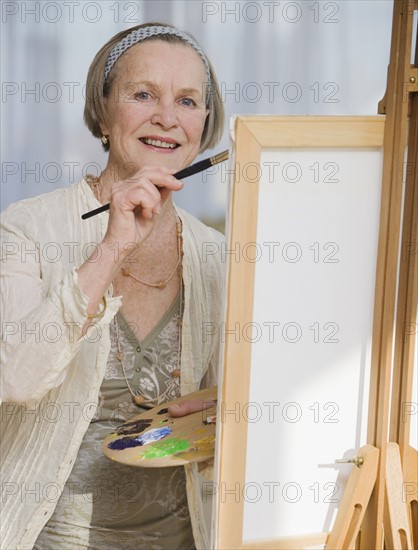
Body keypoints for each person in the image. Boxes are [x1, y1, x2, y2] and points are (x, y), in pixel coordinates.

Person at [0, 22, 225, 549]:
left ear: (205, 123)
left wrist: (234, 405)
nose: (167, 117)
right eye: (143, 94)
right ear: (102, 111)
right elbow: (13, 377)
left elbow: (237, 399)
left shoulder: (217, 254)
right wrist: (112, 246)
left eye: (188, 101)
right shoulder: (27, 227)